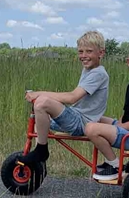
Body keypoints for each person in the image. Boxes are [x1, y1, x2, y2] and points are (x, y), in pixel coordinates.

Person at [17, 31, 109, 164]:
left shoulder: (98, 74)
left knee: (42, 103)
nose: (83, 56)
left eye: (89, 51)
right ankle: (39, 156)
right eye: (80, 52)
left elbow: (72, 97)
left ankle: (41, 151)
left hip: (82, 123)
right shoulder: (88, 70)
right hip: (78, 117)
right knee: (40, 120)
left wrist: (38, 94)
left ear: (101, 53)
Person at [84, 43, 129, 181]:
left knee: (91, 128)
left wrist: (114, 128)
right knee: (94, 118)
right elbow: (126, 114)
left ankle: (115, 165)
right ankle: (110, 162)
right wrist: (116, 124)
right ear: (128, 63)